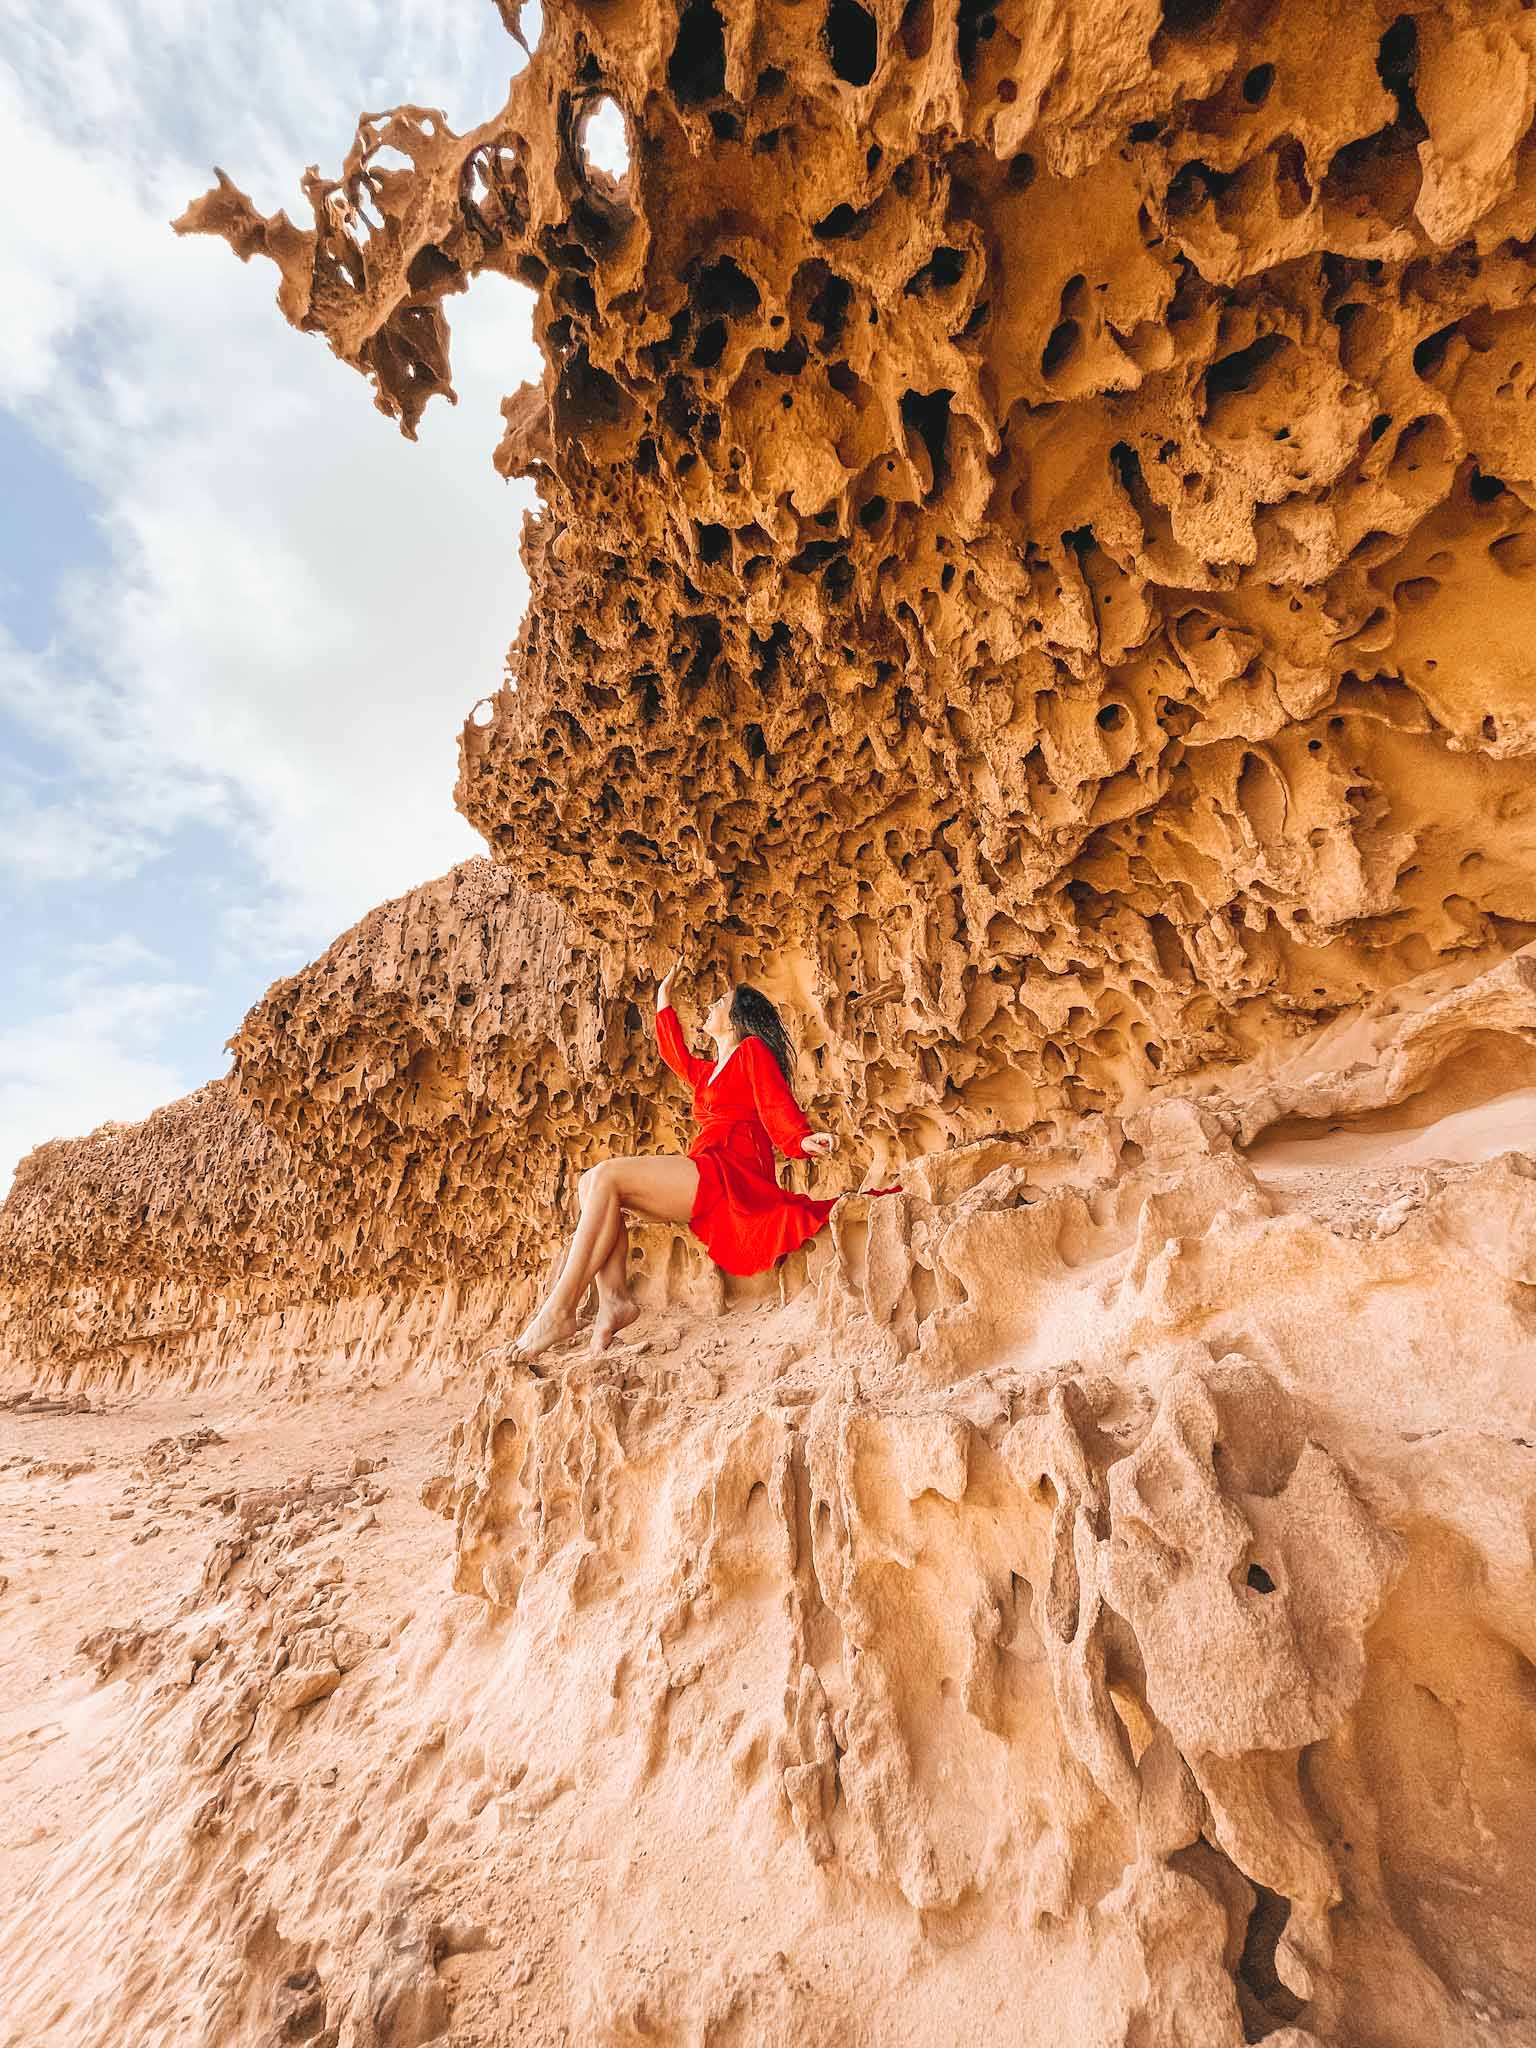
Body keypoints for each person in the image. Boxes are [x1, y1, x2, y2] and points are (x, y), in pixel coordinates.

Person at [508, 958, 900, 1365]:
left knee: (606, 1177)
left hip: (728, 1171)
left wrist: (803, 1140)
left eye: (719, 1002)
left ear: (733, 1020)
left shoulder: (751, 1052)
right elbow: (675, 1055)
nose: (710, 1007)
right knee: (589, 1183)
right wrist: (663, 999)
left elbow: (774, 1109)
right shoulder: (710, 1072)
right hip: (706, 1161)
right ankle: (614, 1301)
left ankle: (558, 1311)